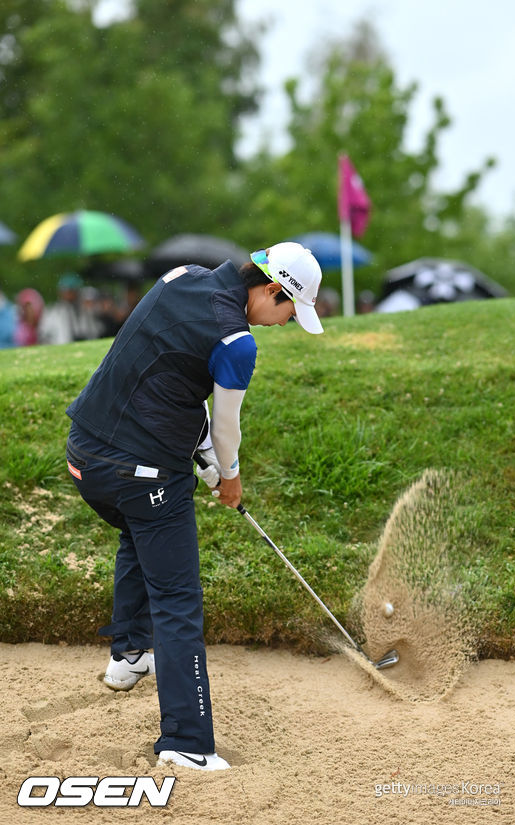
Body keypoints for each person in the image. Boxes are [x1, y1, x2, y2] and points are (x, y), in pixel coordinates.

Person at [65, 242, 323, 772]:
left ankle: (129, 655)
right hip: (140, 472)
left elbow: (167, 373)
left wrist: (202, 451)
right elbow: (226, 425)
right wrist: (228, 474)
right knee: (178, 599)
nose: (284, 323)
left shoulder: (182, 276)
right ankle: (185, 741)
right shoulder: (237, 342)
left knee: (140, 532)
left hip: (86, 456)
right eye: (289, 312)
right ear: (272, 289)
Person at [39, 273, 103, 344]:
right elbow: (44, 334)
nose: (68, 294)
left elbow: (97, 329)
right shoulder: (53, 311)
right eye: (66, 291)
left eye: (71, 291)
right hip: (62, 348)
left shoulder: (86, 308)